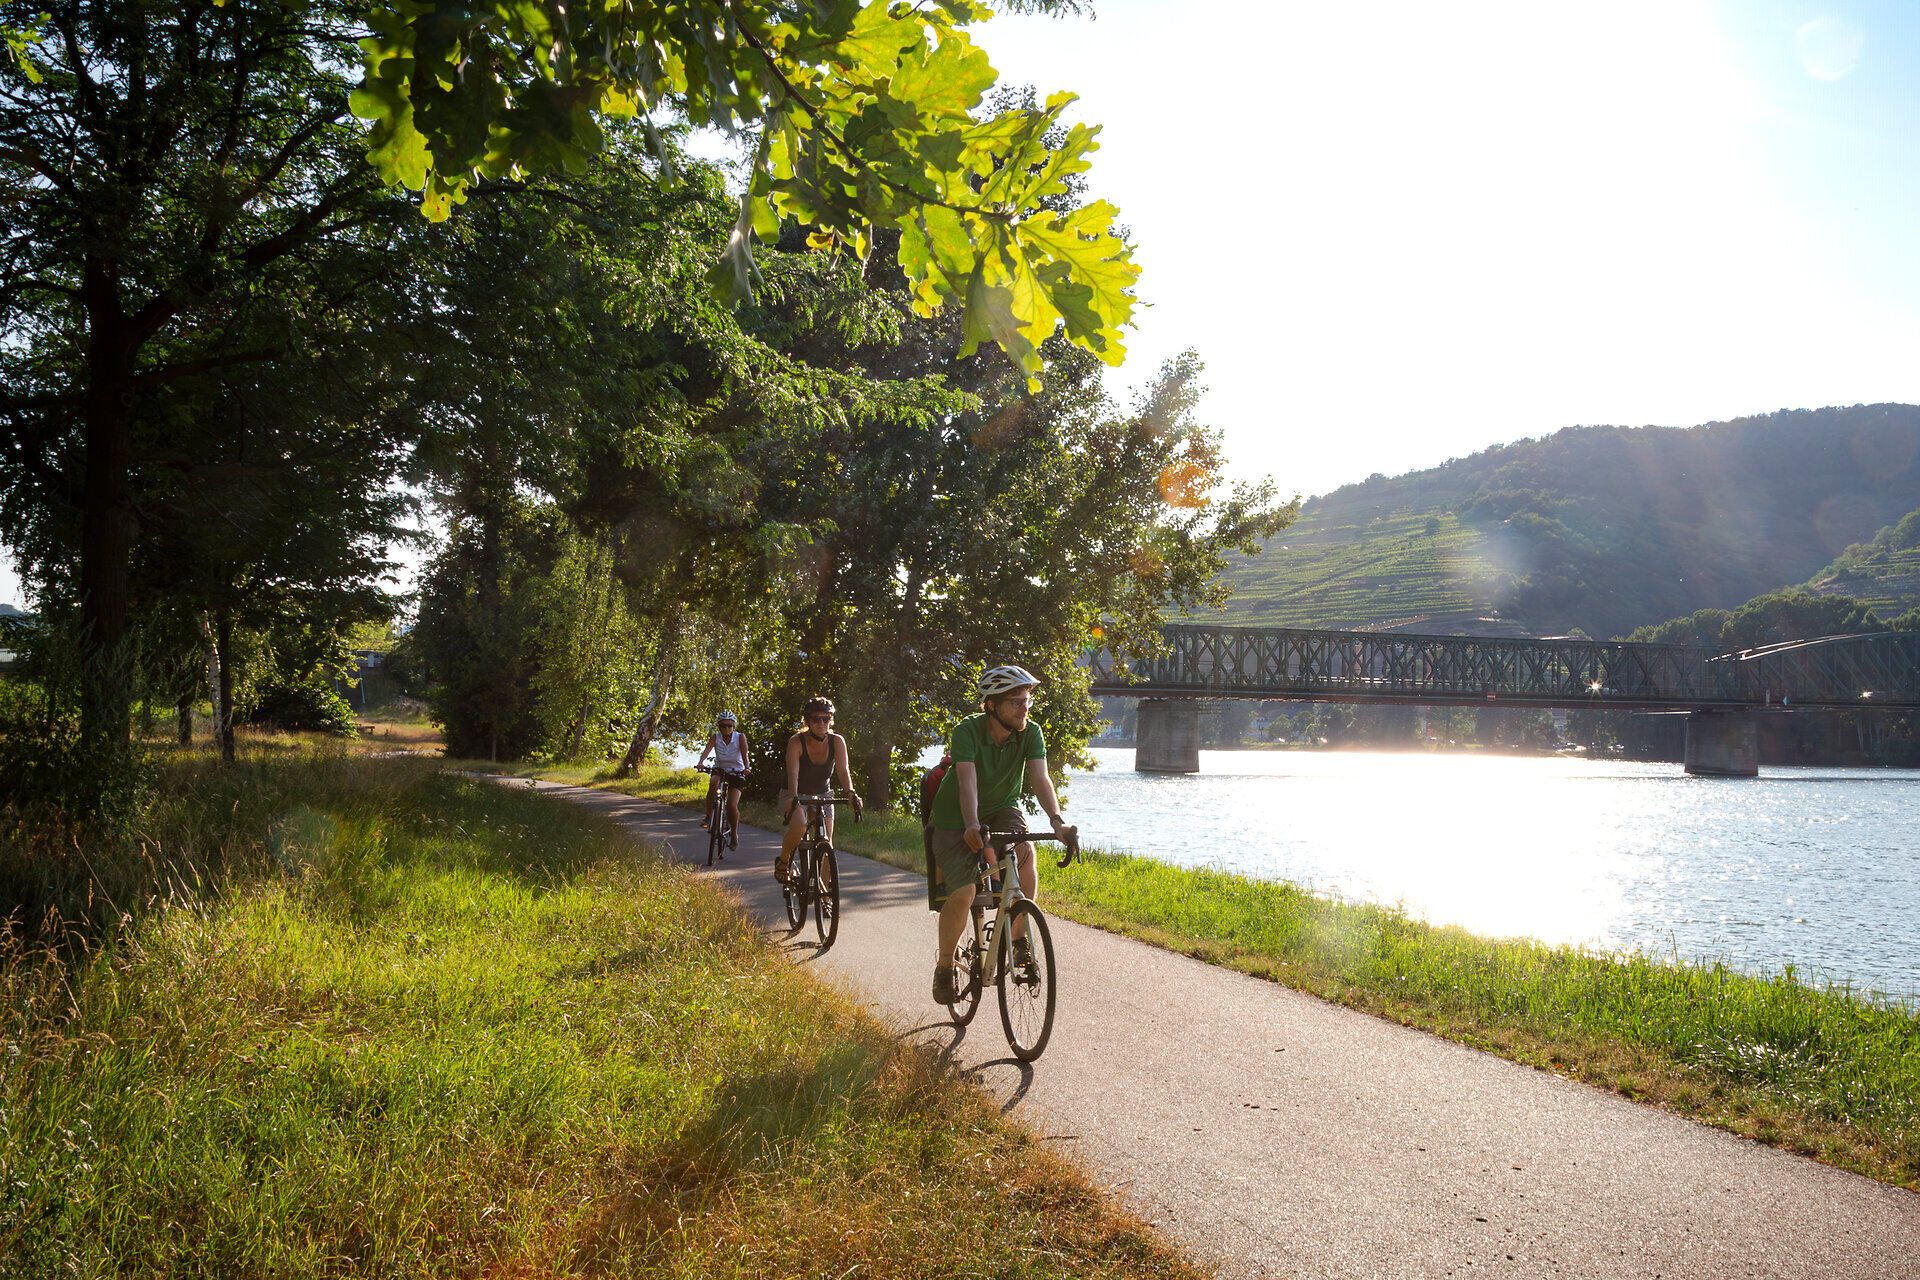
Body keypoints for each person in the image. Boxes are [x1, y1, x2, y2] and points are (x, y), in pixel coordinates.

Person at [926, 665, 1074, 1005]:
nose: (1025, 707)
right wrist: (970, 825)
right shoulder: (968, 730)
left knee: (1025, 855)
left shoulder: (1030, 732)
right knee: (964, 890)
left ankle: (1019, 938)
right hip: (954, 817)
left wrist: (1057, 821)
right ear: (992, 705)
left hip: (1003, 809)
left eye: (1027, 701)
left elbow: (1040, 779)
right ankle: (945, 966)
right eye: (1015, 702)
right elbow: (967, 781)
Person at [777, 696, 862, 881]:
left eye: (826, 718)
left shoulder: (837, 741)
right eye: (816, 719)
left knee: (826, 842)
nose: (822, 723)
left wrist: (850, 793)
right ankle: (783, 861)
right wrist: (793, 798)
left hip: (822, 793)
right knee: (799, 827)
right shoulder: (796, 742)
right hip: (795, 792)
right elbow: (793, 773)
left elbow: (843, 769)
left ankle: (824, 893)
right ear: (807, 721)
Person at [695, 711, 748, 849]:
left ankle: (734, 834)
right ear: (719, 727)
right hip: (720, 769)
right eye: (723, 726)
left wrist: (747, 767)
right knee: (713, 784)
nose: (726, 729)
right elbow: (706, 750)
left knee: (731, 805)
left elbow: (744, 754)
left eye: (729, 726)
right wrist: (701, 762)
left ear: (734, 726)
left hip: (737, 771)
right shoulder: (715, 737)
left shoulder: (740, 737)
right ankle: (708, 816)